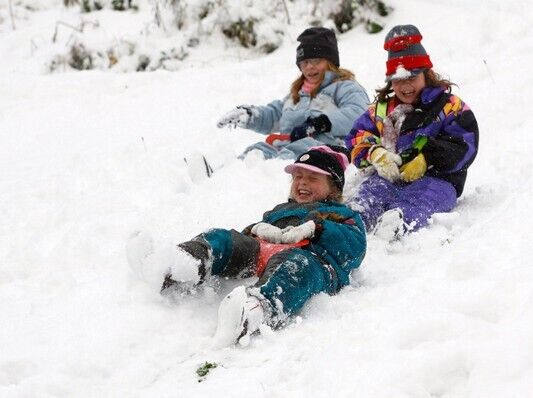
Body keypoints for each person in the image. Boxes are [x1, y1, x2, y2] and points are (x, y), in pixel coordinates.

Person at [161, 145, 366, 347]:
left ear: (334, 187)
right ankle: (185, 262)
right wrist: (255, 230)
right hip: (264, 250)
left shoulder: (343, 214)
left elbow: (355, 245)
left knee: (295, 268)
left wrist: (317, 228)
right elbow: (247, 238)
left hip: (311, 261)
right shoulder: (280, 210)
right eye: (298, 177)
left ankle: (256, 308)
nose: (302, 183)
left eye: (312, 178)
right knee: (223, 238)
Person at [345, 24, 479, 238]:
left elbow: (466, 145)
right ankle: (350, 227)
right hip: (389, 176)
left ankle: (396, 226)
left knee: (421, 199)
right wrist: (375, 154)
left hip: (438, 180)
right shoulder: (382, 109)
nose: (405, 86)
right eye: (398, 80)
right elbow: (356, 137)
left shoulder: (449, 106)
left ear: (426, 74)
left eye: (412, 78)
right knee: (368, 194)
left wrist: (427, 157)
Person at [216, 27, 369, 160]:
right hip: (287, 150)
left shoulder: (345, 87)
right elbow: (274, 115)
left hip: (326, 154)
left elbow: (360, 114)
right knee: (258, 150)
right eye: (304, 63)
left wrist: (320, 124)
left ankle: (273, 170)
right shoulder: (297, 94)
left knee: (302, 147)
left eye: (315, 61)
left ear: (330, 61)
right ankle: (220, 178)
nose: (309, 67)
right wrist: (250, 116)